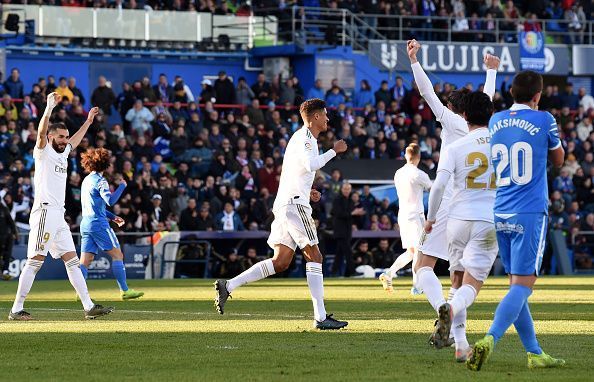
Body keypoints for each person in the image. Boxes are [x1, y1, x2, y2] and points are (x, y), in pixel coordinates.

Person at [214, 98, 349, 330]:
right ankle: (320, 317)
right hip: (294, 204)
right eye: (325, 114)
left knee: (281, 261)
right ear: (315, 116)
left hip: (288, 201)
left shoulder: (300, 138)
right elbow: (310, 165)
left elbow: (294, 172)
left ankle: (228, 285)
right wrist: (334, 151)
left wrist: (308, 191)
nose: (327, 119)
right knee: (315, 257)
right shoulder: (307, 137)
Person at [467, 71, 566, 371]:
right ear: (537, 95)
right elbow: (559, 159)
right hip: (530, 211)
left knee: (516, 284)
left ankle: (535, 353)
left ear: (510, 92)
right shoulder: (544, 118)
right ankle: (489, 338)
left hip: (502, 209)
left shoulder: (496, 120)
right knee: (523, 286)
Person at [407, 39, 498, 330]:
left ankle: (442, 309)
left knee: (422, 266)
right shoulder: (484, 126)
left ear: (452, 108)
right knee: (457, 274)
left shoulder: (448, 119)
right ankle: (455, 327)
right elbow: (488, 98)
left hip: (447, 199)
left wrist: (414, 61)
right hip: (477, 203)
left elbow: (426, 92)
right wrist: (491, 72)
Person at [8, 94, 113, 320]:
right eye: (61, 136)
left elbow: (75, 141)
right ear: (51, 136)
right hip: (44, 212)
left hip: (59, 215)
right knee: (35, 262)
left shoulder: (64, 152)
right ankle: (16, 308)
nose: (65, 140)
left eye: (66, 137)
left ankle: (88, 307)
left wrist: (88, 121)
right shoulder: (42, 151)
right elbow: (41, 132)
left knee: (73, 262)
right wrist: (48, 108)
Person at [423, 92, 497, 363]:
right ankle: (450, 308)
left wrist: (431, 219)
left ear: (464, 116)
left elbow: (439, 186)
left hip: (457, 220)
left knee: (456, 281)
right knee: (471, 287)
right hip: (487, 221)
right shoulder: (502, 146)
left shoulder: (455, 147)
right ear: (491, 113)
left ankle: (461, 345)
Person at [79, 148, 144, 300]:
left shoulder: (86, 180)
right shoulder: (101, 181)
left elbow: (95, 206)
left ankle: (80, 294)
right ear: (105, 164)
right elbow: (110, 201)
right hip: (99, 225)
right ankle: (125, 291)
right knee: (117, 255)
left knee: (85, 261)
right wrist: (122, 186)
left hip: (86, 224)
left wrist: (113, 217)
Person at [380, 143, 431, 294]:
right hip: (416, 215)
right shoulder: (419, 174)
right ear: (419, 157)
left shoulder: (398, 173)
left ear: (405, 156)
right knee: (419, 251)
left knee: (411, 251)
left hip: (403, 215)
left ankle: (389, 274)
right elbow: (434, 190)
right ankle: (417, 286)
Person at [331, 182, 365, 277]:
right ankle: (352, 271)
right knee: (348, 252)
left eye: (348, 189)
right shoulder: (337, 200)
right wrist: (352, 213)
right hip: (340, 230)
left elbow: (352, 214)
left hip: (348, 230)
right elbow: (338, 213)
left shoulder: (351, 201)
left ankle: (334, 272)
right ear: (342, 189)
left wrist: (357, 213)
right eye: (345, 189)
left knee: (340, 253)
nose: (347, 191)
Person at [0, 200, 18, 280]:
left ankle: (5, 271)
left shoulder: (3, 209)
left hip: (7, 236)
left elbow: (11, 221)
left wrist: (15, 232)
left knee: (7, 254)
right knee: (5, 254)